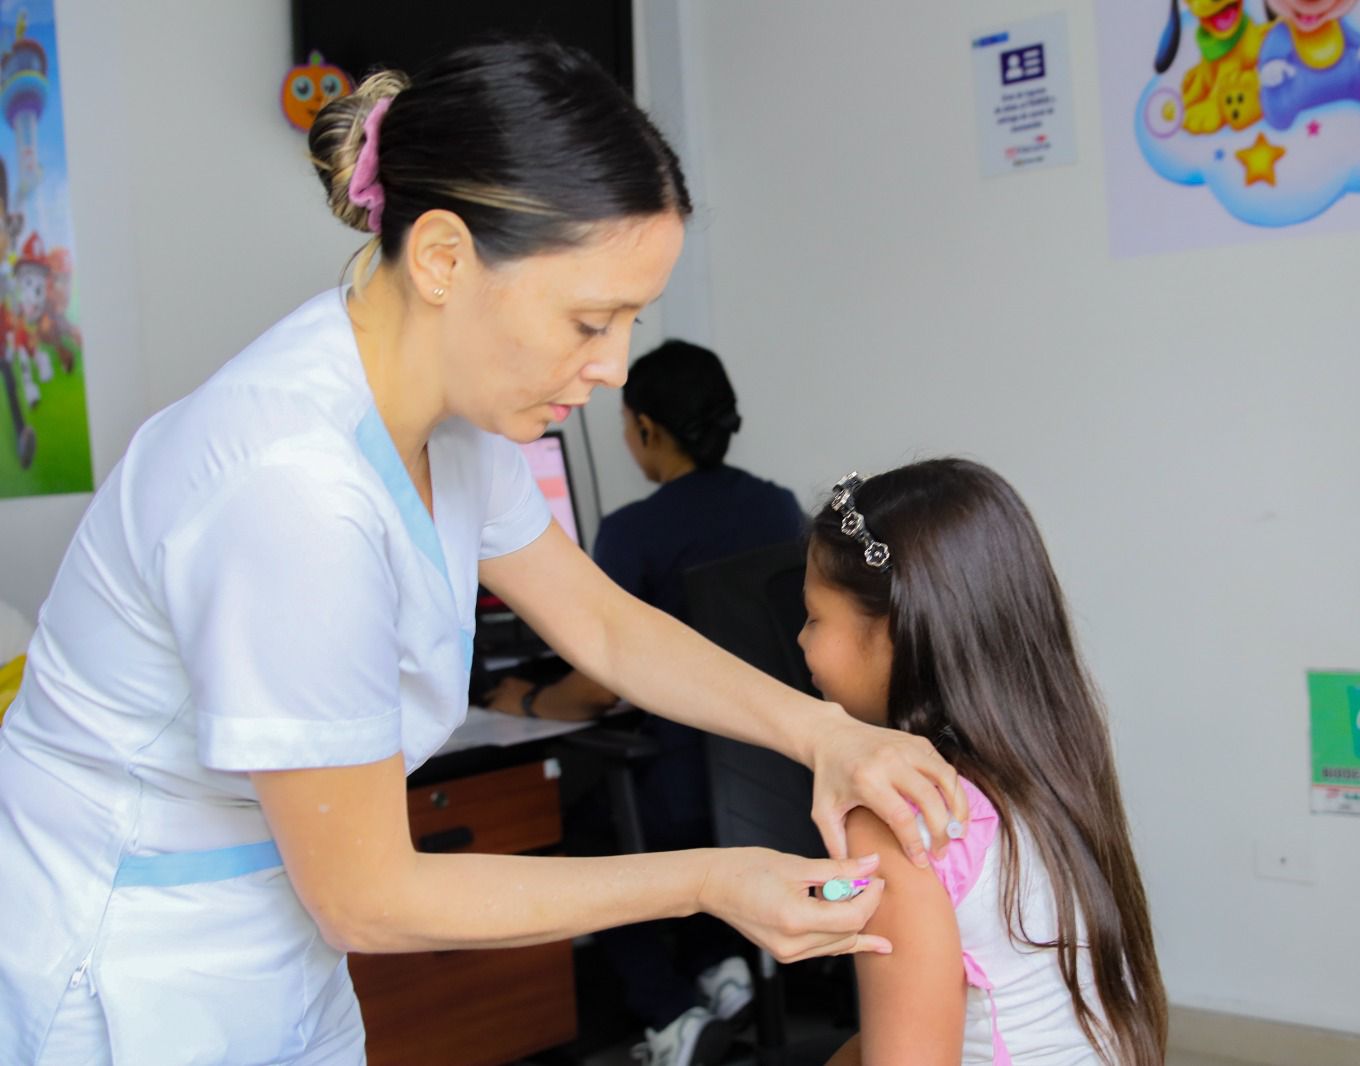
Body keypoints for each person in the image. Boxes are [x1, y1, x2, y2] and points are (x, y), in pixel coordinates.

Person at [0, 39, 967, 1066]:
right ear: (443, 259)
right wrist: (708, 878)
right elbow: (369, 896)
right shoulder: (289, 485)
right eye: (590, 321)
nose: (614, 368)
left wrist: (824, 735)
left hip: (269, 939)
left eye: (631, 322)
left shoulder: (451, 422)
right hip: (125, 961)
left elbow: (603, 624)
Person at [484, 340, 806, 1062]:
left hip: (681, 789)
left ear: (648, 429)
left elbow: (599, 684)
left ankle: (671, 1016)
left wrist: (527, 702)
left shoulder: (633, 531)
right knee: (705, 824)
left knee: (588, 835)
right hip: (774, 782)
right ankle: (720, 967)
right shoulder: (779, 507)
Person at [801, 461, 1167, 1065]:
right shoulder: (1051, 773)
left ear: (896, 630)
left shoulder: (899, 818)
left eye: (814, 617)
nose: (801, 640)